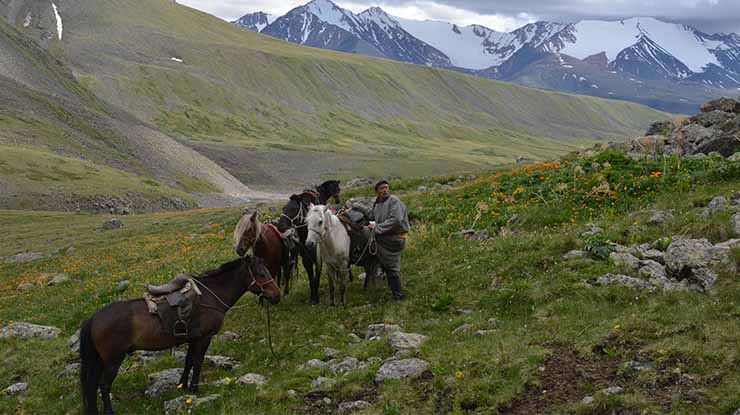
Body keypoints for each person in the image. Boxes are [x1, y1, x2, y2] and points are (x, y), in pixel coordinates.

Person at [353, 180, 410, 300]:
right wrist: (357, 206)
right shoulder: (378, 203)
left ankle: (399, 295)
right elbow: (372, 215)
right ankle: (383, 280)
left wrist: (376, 228)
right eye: (381, 188)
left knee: (391, 265)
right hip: (385, 236)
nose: (384, 190)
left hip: (395, 239)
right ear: (377, 191)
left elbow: (396, 220)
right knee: (367, 240)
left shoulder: (394, 201)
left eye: (386, 187)